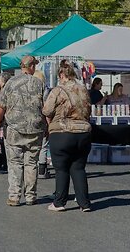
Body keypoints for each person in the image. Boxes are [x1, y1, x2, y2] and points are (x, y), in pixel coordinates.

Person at [0, 55, 46, 206]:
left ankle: (14, 196)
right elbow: (46, 108)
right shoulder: (39, 83)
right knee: (31, 163)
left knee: (15, 163)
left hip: (14, 129)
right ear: (31, 66)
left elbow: (1, 106)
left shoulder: (10, 83)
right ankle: (31, 196)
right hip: (35, 129)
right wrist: (47, 126)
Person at [42, 63, 92, 212]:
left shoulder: (58, 90)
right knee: (78, 168)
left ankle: (59, 202)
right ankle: (84, 203)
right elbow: (89, 109)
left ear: (61, 75)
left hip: (62, 132)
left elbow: (47, 110)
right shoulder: (83, 90)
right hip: (83, 133)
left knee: (61, 169)